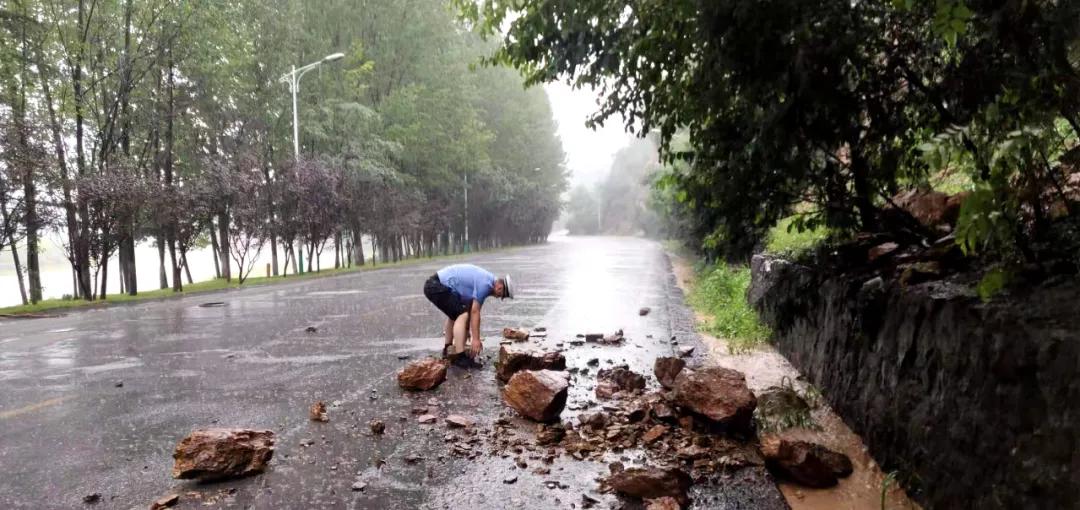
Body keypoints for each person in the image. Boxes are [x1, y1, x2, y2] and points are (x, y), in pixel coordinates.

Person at [423, 264, 513, 363]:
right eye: (502, 295)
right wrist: (476, 339)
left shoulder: (487, 281)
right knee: (461, 315)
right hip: (435, 285)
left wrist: (465, 330)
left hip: (434, 284)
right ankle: (460, 358)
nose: (499, 297)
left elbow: (470, 309)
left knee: (456, 314)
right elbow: (475, 312)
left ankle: (447, 349)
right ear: (500, 287)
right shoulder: (485, 285)